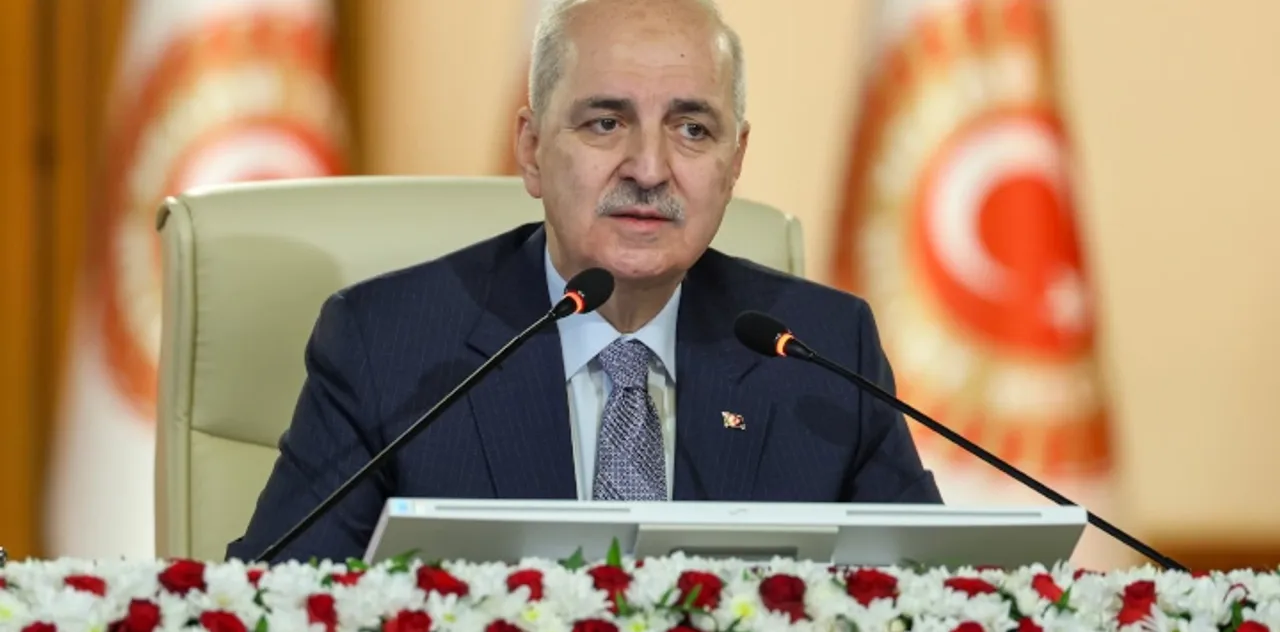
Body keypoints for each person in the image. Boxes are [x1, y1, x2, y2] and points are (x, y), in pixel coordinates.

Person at [226, 0, 941, 563]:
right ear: (532, 149)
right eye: (605, 123)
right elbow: (275, 610)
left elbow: (941, 607)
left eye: (692, 129)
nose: (649, 169)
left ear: (735, 160)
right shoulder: (391, 347)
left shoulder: (823, 351)